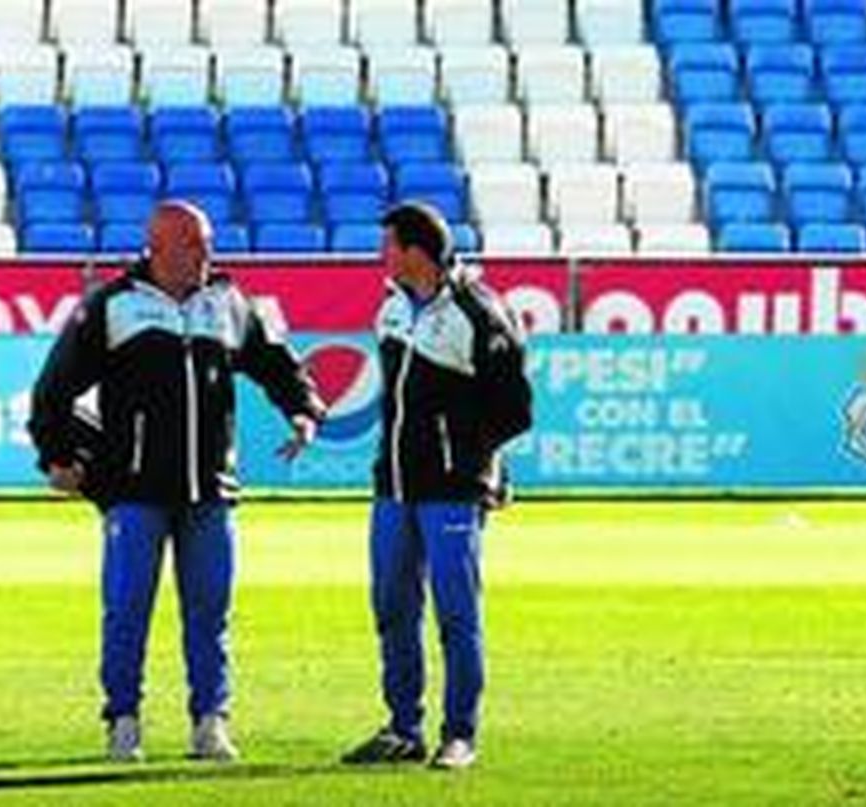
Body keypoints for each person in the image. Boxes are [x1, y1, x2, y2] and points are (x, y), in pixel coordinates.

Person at [29, 201, 325, 764]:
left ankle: (210, 722)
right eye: (192, 244)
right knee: (126, 610)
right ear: (156, 246)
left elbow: (275, 362)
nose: (205, 254)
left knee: (211, 614)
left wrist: (304, 409)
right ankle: (123, 720)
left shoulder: (230, 303)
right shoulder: (112, 307)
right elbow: (53, 390)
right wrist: (57, 456)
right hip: (134, 490)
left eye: (207, 243)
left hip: (211, 489)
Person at [341, 203, 533, 771]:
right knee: (392, 606)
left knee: (456, 612)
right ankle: (404, 728)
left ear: (415, 251)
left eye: (388, 246)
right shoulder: (392, 306)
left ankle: (460, 734)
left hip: (452, 488)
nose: (381, 256)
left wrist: (481, 465)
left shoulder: (479, 313)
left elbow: (515, 411)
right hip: (394, 486)